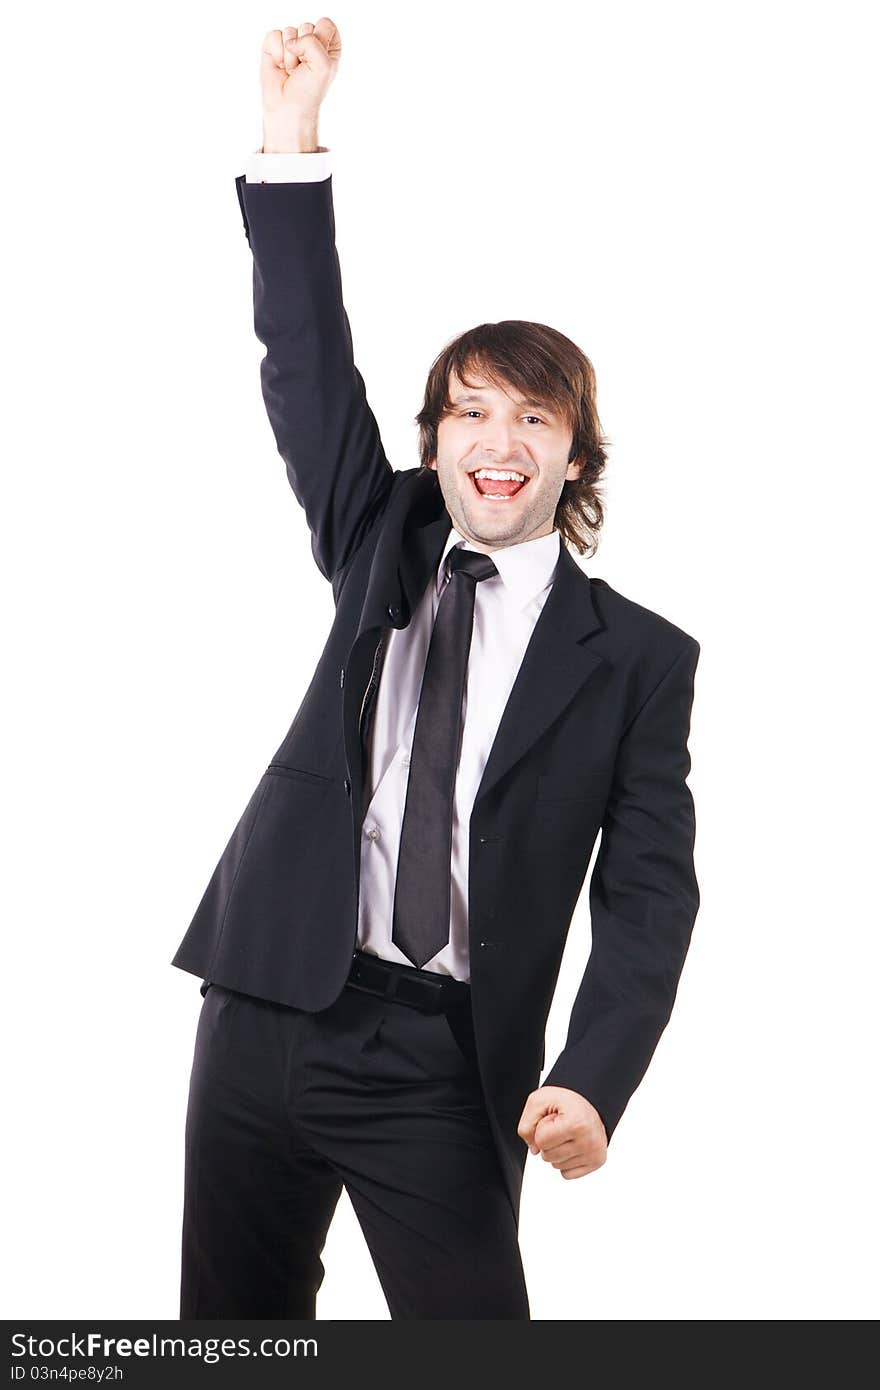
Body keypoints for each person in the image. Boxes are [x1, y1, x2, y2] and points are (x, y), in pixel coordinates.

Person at [172, 18, 701, 1321]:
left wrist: (594, 1073)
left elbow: (647, 895)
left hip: (441, 1059)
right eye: (469, 408)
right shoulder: (379, 536)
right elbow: (302, 362)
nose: (498, 435)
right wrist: (291, 142)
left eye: (534, 414)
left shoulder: (634, 658)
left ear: (576, 456)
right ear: (435, 443)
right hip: (262, 1002)